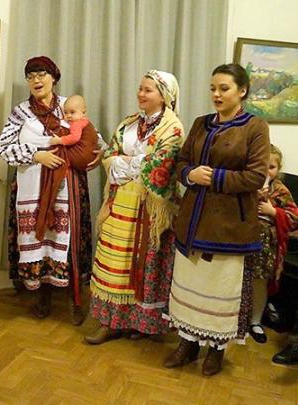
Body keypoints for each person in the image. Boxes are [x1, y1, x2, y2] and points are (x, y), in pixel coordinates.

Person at [164, 63, 270, 376]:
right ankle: (187, 344)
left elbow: (256, 176)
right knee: (189, 286)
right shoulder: (201, 123)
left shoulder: (255, 127)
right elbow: (181, 162)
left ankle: (216, 350)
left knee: (221, 292)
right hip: (193, 221)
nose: (216, 94)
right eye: (213, 88)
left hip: (229, 226)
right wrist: (189, 174)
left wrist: (213, 178)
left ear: (242, 91)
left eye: (224, 88)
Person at [0, 56, 103, 325]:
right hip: (32, 188)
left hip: (68, 189)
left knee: (69, 241)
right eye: (30, 76)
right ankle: (41, 295)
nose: (36, 80)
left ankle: (74, 299)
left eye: (41, 74)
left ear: (53, 78)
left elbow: (93, 138)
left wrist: (97, 155)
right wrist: (37, 155)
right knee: (40, 238)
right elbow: (4, 148)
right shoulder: (21, 113)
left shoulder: (69, 106)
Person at [84, 70, 184, 344]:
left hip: (149, 207)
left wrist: (124, 162)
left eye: (148, 90)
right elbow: (110, 153)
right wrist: (124, 162)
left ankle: (140, 323)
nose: (141, 93)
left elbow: (162, 164)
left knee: (142, 262)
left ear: (164, 96)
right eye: (140, 88)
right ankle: (110, 322)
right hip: (120, 202)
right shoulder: (128, 123)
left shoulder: (173, 128)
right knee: (115, 262)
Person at [246, 145, 298, 343]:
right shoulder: (245, 184)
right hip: (243, 240)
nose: (267, 171)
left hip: (266, 247)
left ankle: (256, 321)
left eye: (272, 167)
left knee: (259, 283)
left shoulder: (281, 190)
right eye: (262, 166)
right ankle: (236, 318)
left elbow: (294, 216)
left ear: (279, 169)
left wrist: (274, 212)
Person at [36, 94, 98, 240]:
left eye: (72, 112)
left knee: (60, 155)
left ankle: (58, 180)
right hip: (84, 159)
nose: (68, 116)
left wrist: (60, 140)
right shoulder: (84, 121)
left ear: (83, 112)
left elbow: (75, 138)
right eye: (66, 113)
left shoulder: (77, 123)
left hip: (79, 160)